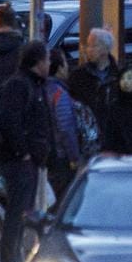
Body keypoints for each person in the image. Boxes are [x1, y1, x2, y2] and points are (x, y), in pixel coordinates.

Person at [0, 41, 53, 262]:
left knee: (22, 215)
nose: (50, 64)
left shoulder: (32, 84)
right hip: (18, 162)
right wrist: (22, 151)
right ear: (37, 62)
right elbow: (9, 120)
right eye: (47, 59)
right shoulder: (20, 85)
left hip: (27, 160)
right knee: (16, 215)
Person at [42, 50, 81, 199]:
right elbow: (65, 127)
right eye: (65, 63)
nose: (67, 68)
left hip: (45, 154)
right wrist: (74, 157)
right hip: (60, 156)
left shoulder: (40, 89)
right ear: (58, 68)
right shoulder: (59, 93)